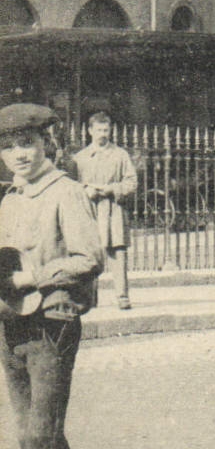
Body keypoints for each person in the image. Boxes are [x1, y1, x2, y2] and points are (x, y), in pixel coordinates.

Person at [1, 103, 104, 449]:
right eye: (8, 147)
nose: (19, 154)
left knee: (42, 432)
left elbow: (89, 258)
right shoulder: (10, 198)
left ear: (47, 144)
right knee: (29, 433)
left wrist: (32, 277)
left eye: (27, 143)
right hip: (11, 323)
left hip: (52, 323)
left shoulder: (66, 191)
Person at [70, 111, 136, 310]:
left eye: (106, 130)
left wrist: (112, 189)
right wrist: (85, 191)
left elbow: (131, 182)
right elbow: (70, 187)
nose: (102, 134)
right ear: (90, 131)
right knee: (89, 252)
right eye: (98, 130)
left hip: (113, 209)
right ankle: (91, 297)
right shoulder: (79, 158)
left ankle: (122, 296)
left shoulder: (120, 155)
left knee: (118, 251)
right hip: (89, 209)